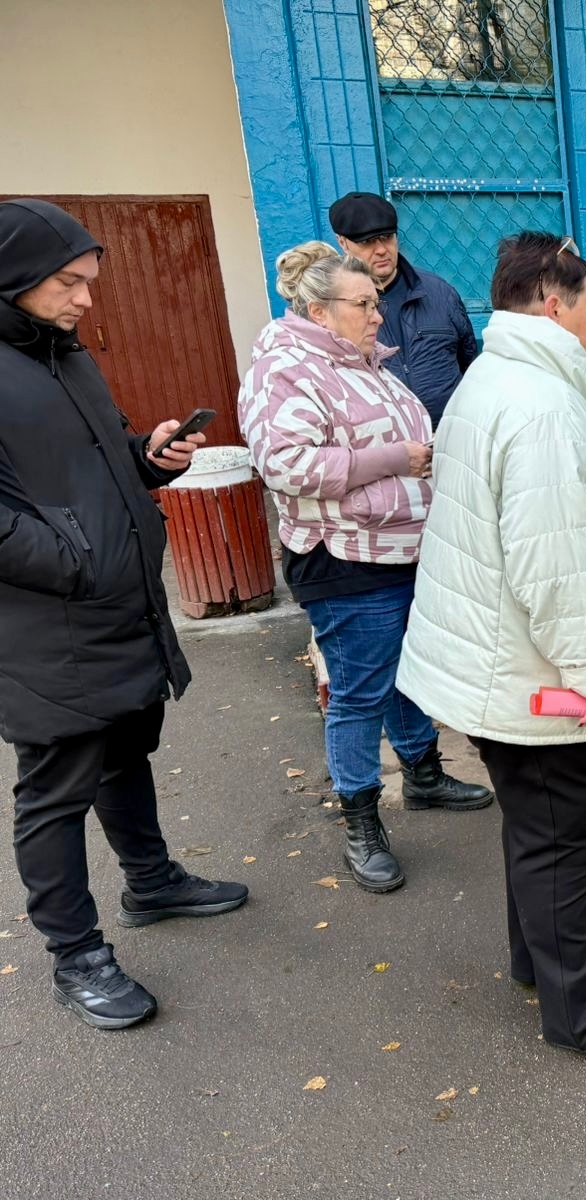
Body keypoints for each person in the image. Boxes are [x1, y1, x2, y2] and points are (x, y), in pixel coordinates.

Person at [397, 232, 586, 1066]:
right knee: (565, 839)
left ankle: (543, 958)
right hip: (537, 679)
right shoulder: (543, 408)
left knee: (536, 830)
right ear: (551, 301)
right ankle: (581, 1015)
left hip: (499, 664)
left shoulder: (497, 378)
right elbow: (562, 572)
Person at [0, 198, 247, 1030]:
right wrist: (76, 563)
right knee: (56, 788)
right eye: (68, 283)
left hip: (116, 607)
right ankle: (77, 957)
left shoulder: (61, 355)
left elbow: (95, 461)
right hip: (48, 624)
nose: (84, 300)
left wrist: (149, 456)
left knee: (124, 750)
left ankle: (152, 880)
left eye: (89, 282)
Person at [239, 242, 491, 895]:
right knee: (357, 694)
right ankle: (361, 823)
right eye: (363, 305)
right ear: (319, 310)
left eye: (376, 303)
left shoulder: (362, 364)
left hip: (398, 549)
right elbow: (286, 466)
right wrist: (393, 458)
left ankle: (425, 775)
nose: (378, 316)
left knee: (404, 673)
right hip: (344, 559)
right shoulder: (287, 371)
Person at [329, 191, 478, 427]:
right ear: (342, 242)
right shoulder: (335, 307)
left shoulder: (440, 293)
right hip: (386, 451)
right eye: (367, 242)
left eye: (387, 237)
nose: (381, 250)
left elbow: (469, 363)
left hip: (453, 438)